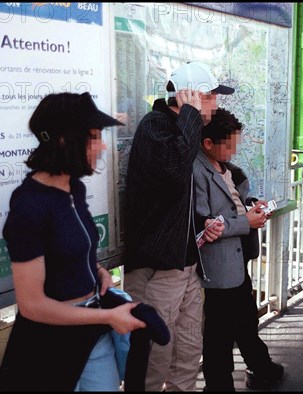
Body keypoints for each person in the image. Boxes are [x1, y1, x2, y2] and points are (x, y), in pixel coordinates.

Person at [0, 92, 146, 391]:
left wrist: (96, 271)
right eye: (93, 136)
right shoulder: (29, 205)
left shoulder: (74, 189)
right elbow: (31, 305)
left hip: (92, 336)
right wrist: (109, 316)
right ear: (64, 140)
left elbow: (73, 247)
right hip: (47, 349)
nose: (102, 145)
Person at [123, 61, 233, 391]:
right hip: (158, 265)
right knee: (156, 350)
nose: (216, 103)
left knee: (187, 346)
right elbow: (172, 171)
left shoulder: (183, 129)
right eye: (212, 96)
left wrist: (202, 225)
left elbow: (179, 194)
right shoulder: (155, 125)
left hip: (186, 259)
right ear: (194, 96)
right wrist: (189, 114)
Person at [193, 108, 285, 391]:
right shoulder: (197, 171)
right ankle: (221, 383)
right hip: (217, 266)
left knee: (244, 320)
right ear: (208, 144)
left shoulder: (225, 169)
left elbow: (232, 208)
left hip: (236, 260)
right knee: (219, 332)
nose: (234, 150)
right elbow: (205, 223)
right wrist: (247, 221)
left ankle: (260, 368)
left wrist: (250, 210)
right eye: (229, 144)